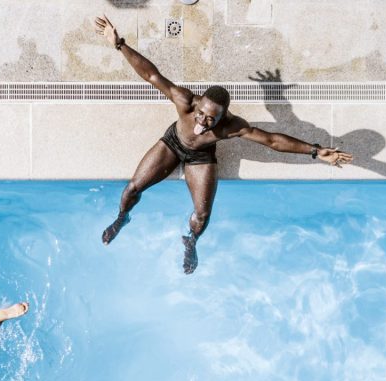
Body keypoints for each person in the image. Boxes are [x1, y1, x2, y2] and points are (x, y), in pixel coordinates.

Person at [94, 15, 354, 274]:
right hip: (173, 143)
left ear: (222, 117)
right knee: (132, 189)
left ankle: (190, 241)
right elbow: (151, 74)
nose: (203, 121)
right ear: (198, 103)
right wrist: (119, 44)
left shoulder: (232, 126)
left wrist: (316, 151)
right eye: (202, 113)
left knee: (203, 214)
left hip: (201, 157)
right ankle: (121, 218)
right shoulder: (185, 101)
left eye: (211, 119)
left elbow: (272, 140)